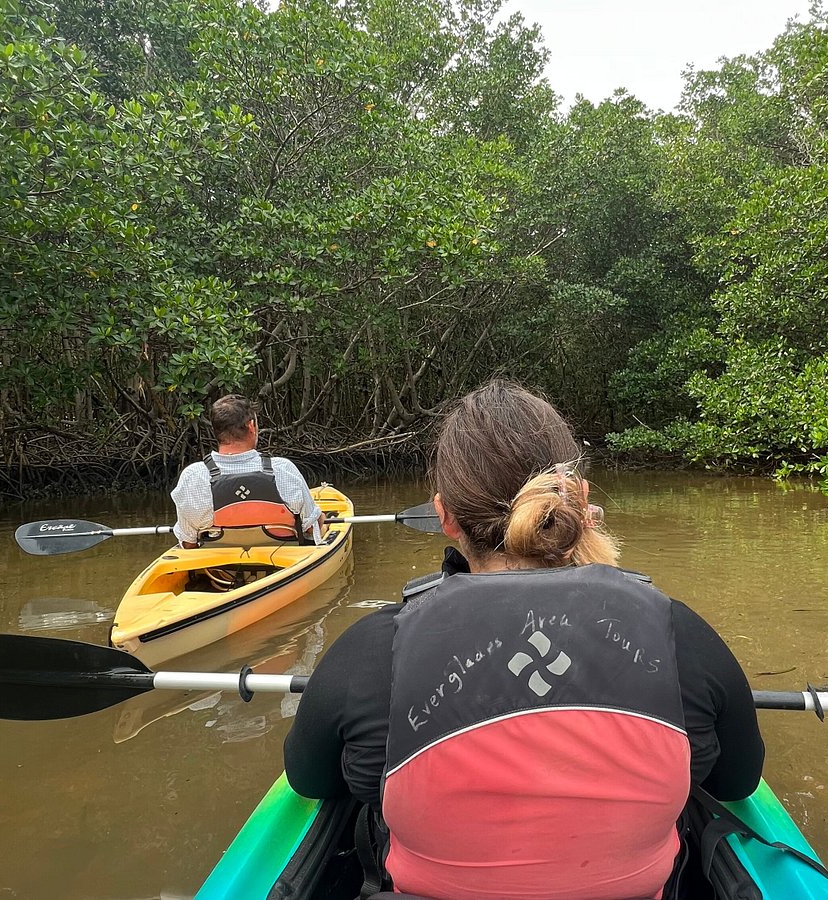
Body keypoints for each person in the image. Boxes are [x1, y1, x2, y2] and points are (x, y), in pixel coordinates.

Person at [283, 379, 764, 899]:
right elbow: (737, 782)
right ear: (580, 500)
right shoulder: (678, 634)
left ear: (444, 515)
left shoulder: (374, 650)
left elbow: (309, 779)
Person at [170, 394, 326, 549]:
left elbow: (188, 543)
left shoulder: (193, 476)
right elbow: (312, 528)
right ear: (251, 426)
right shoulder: (283, 469)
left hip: (221, 569)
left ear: (216, 430)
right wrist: (321, 519)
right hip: (284, 561)